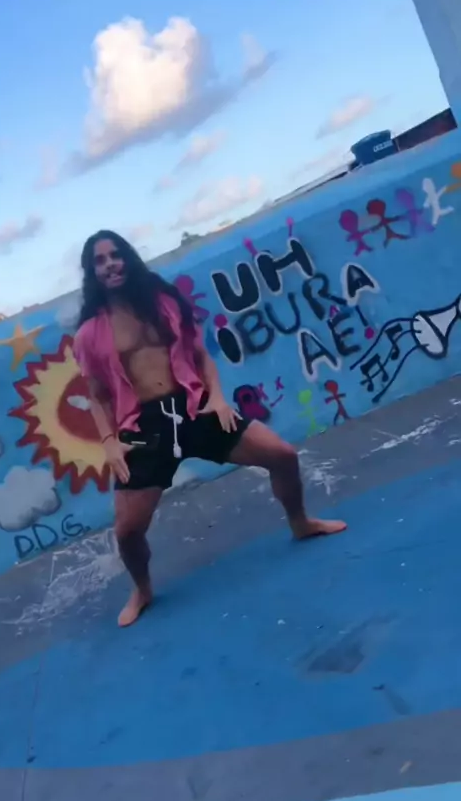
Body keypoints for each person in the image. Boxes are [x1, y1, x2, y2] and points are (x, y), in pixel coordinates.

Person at [73, 230, 347, 627]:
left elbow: (201, 356)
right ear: (92, 272)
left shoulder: (163, 302)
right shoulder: (89, 334)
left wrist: (217, 398)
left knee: (283, 456)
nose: (110, 264)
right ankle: (143, 590)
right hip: (145, 426)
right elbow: (97, 395)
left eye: (115, 255)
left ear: (127, 258)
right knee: (128, 531)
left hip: (194, 406)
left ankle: (301, 523)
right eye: (100, 260)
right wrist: (109, 442)